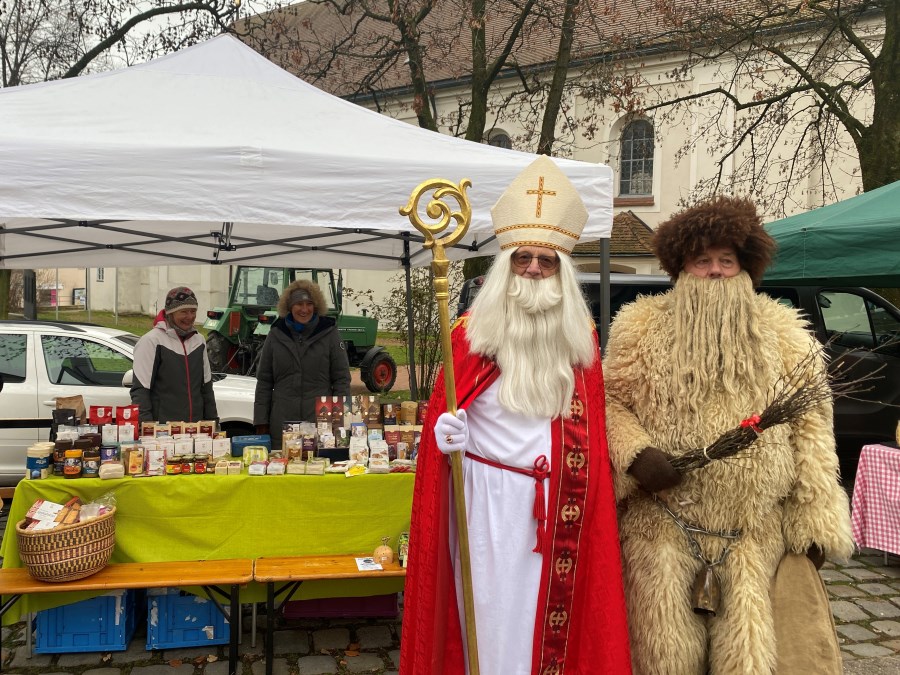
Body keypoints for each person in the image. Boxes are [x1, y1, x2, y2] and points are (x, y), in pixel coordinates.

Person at [400, 155, 632, 675]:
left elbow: (591, 440)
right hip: (483, 503)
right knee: (485, 614)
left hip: (556, 508)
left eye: (546, 261)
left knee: (542, 622)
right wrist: (443, 435)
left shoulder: (582, 341)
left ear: (562, 272)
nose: (532, 269)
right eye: (523, 258)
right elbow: (445, 412)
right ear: (505, 264)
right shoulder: (466, 334)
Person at [603, 195, 853, 674]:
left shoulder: (785, 333)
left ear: (745, 266)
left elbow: (812, 428)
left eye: (726, 260)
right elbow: (610, 401)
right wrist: (636, 454)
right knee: (662, 659)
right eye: (702, 261)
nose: (715, 271)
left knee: (749, 660)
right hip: (661, 530)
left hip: (754, 534)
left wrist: (816, 518)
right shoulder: (639, 326)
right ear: (681, 268)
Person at [253, 279, 350, 448]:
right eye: (299, 304)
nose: (304, 309)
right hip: (282, 423)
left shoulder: (329, 334)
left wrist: (339, 418)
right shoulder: (276, 334)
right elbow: (264, 381)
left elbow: (341, 380)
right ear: (289, 306)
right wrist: (261, 421)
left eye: (309, 304)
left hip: (320, 421)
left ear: (316, 306)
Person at [131, 286, 218, 423]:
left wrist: (213, 422)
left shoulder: (199, 340)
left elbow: (206, 389)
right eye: (184, 312)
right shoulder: (152, 341)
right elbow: (141, 391)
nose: (190, 317)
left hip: (195, 429)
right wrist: (146, 427)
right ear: (170, 313)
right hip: (162, 431)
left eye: (193, 311)